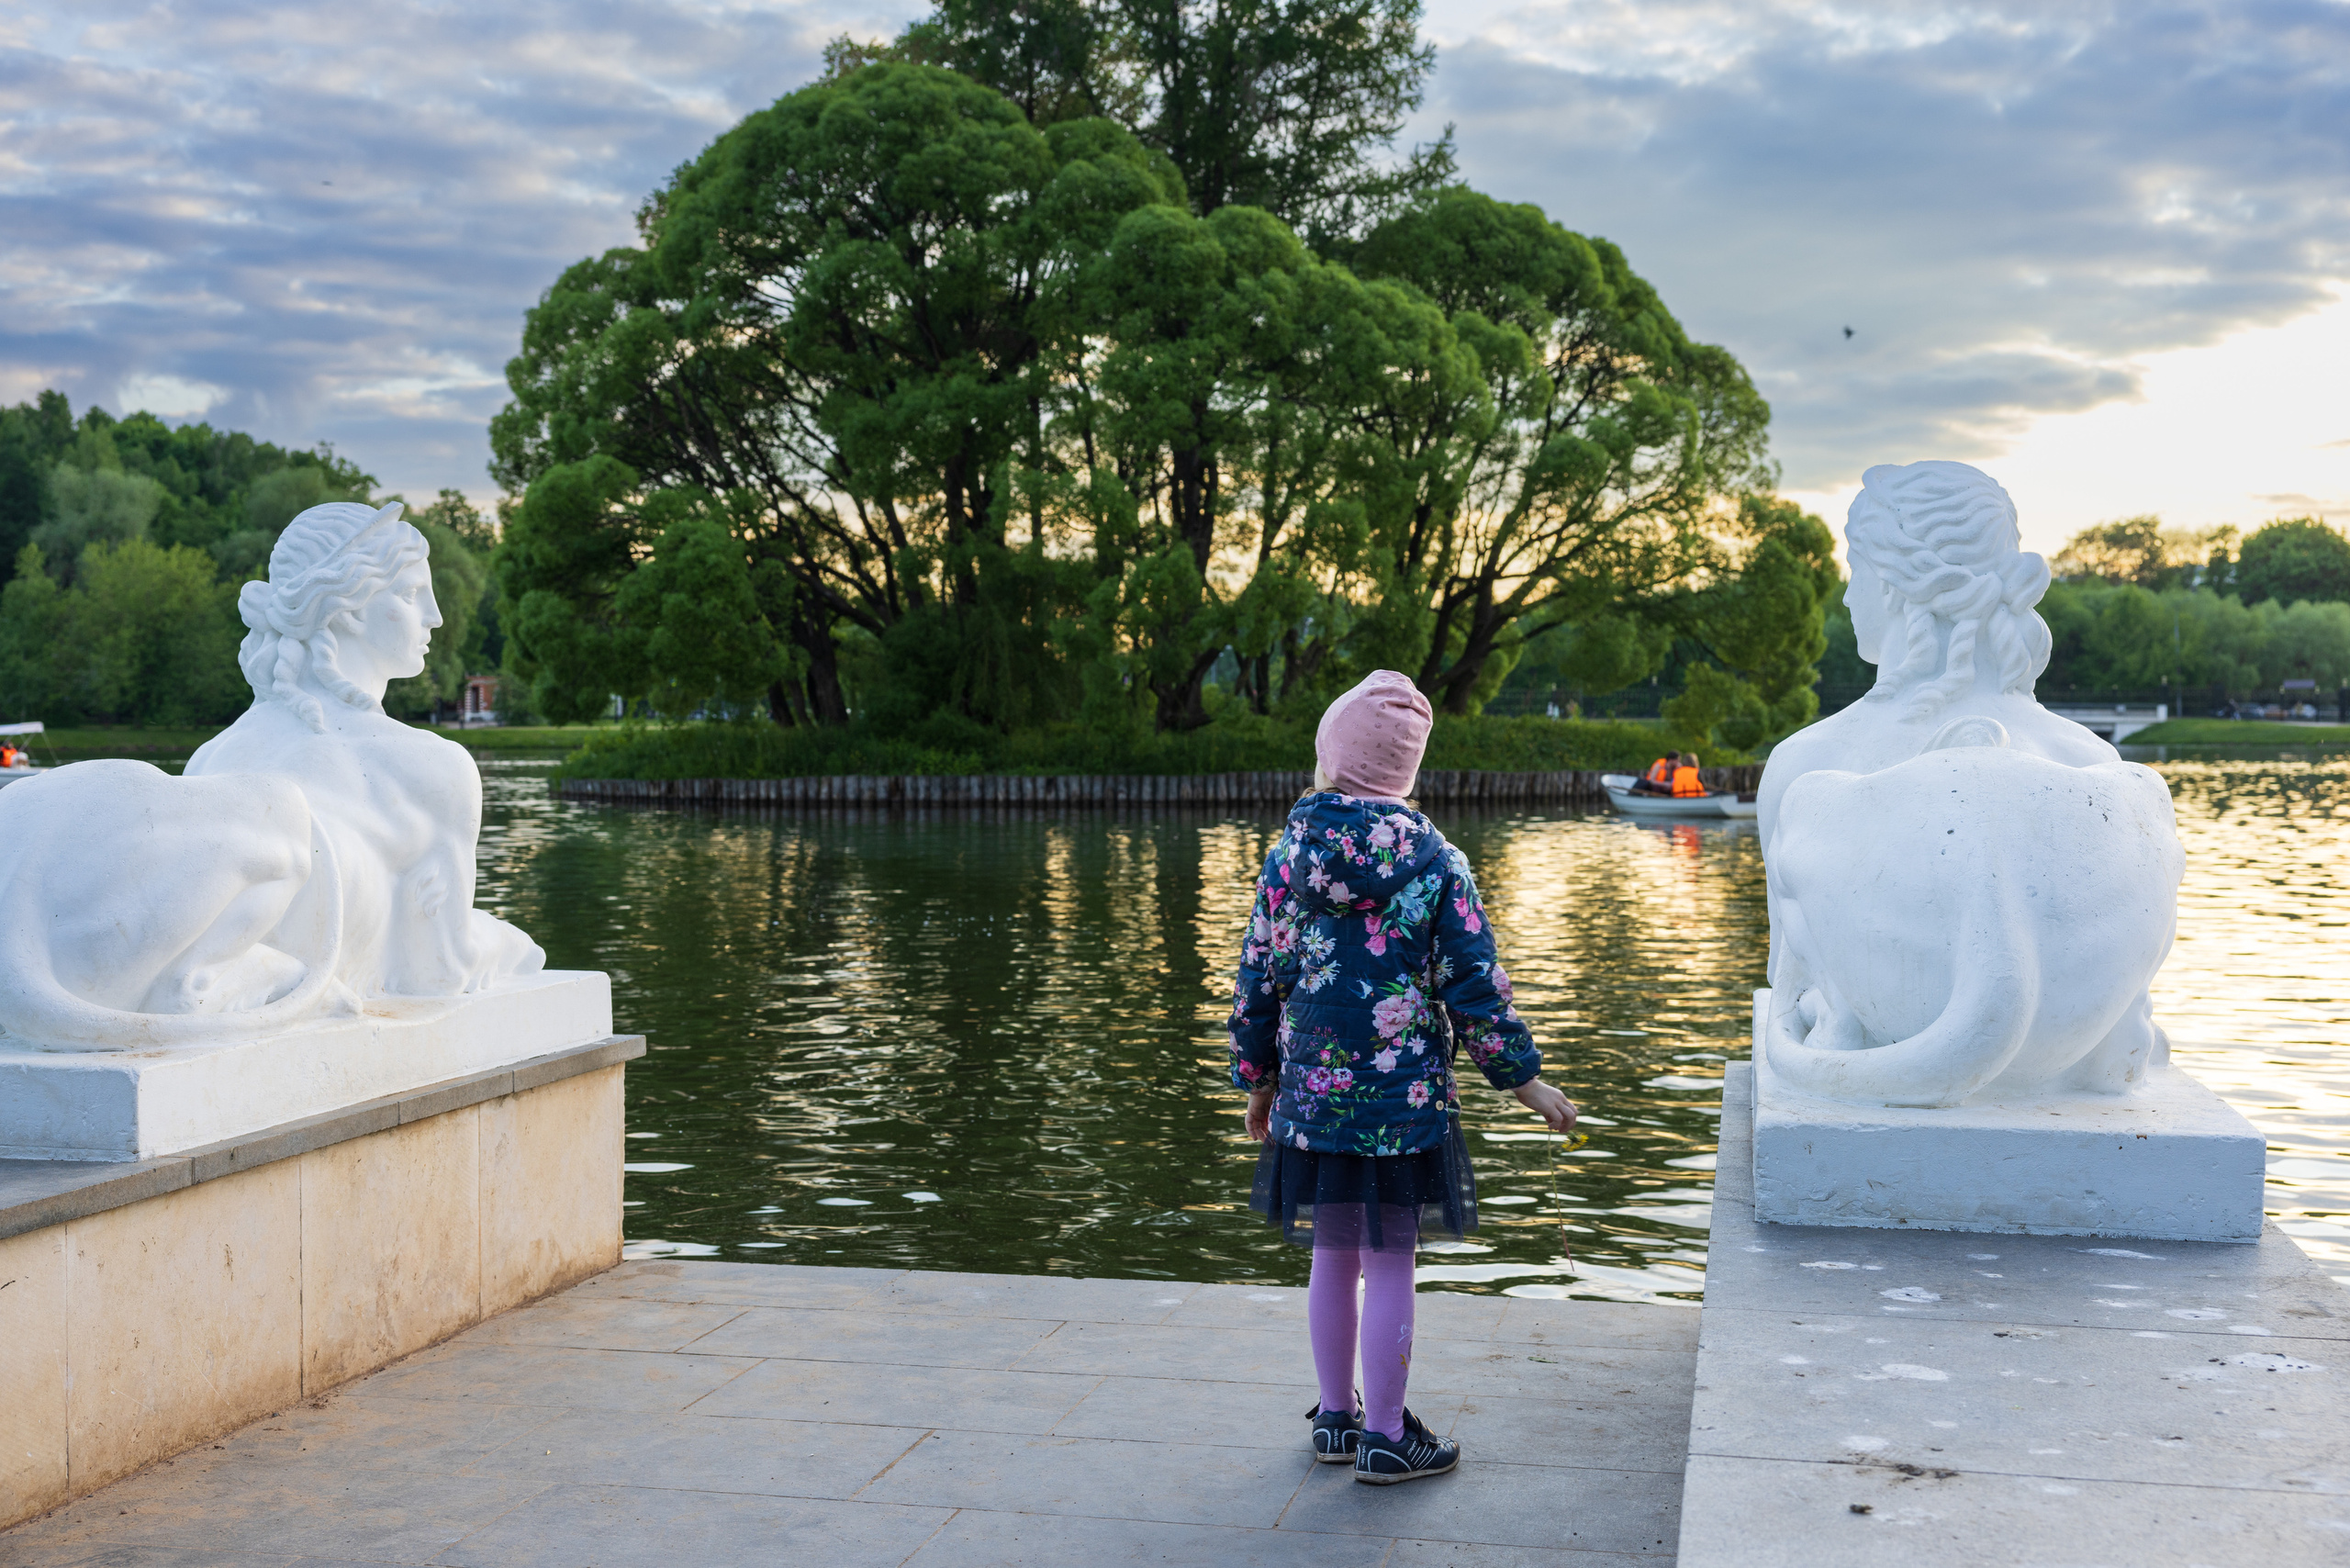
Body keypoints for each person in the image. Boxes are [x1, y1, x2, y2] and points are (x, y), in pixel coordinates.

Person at [1228, 669, 1579, 1485]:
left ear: (1330, 758)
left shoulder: (1288, 856)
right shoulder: (1438, 862)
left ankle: (1336, 1420)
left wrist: (1259, 1080)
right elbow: (1475, 985)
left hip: (1313, 1101)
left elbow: (1257, 977)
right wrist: (1524, 1080)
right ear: (1405, 771)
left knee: (1332, 1253)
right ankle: (1387, 1435)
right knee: (1388, 1262)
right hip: (1403, 1102)